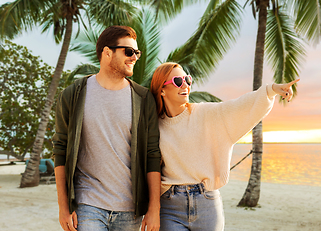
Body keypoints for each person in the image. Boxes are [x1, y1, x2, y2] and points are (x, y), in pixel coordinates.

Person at [150, 62, 299, 231]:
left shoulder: (205, 114)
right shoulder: (154, 125)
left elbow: (237, 107)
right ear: (161, 90)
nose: (185, 85)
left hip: (206, 204)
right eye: (178, 81)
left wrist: (270, 89)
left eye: (187, 80)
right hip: (169, 207)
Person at [52, 26, 161, 231]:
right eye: (128, 51)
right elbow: (60, 149)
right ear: (107, 52)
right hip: (88, 203)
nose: (134, 57)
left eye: (137, 53)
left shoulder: (143, 98)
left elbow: (152, 154)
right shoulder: (73, 95)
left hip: (130, 209)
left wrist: (154, 208)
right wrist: (63, 206)